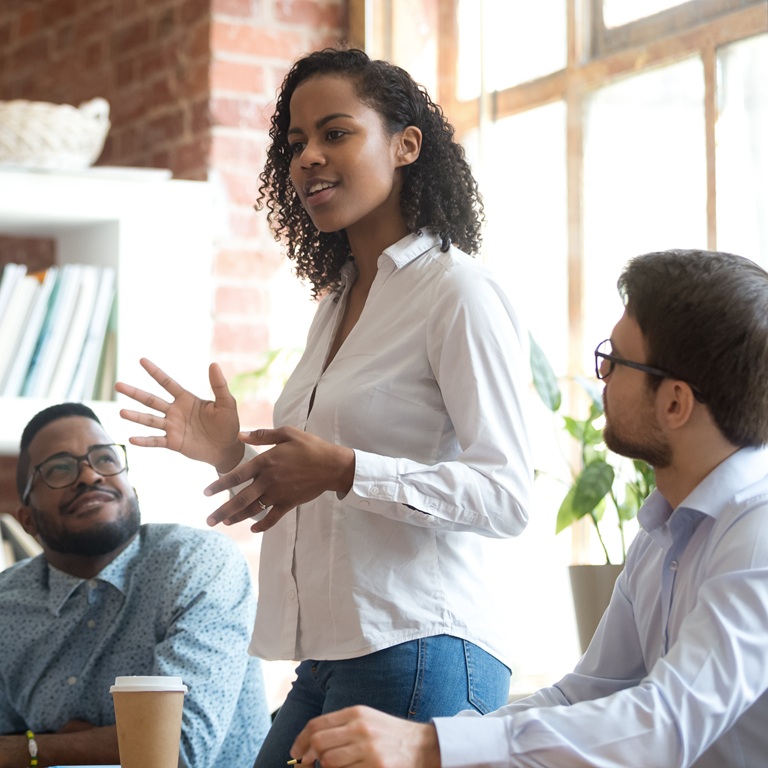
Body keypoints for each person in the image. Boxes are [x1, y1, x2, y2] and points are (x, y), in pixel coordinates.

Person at [114, 47, 533, 766]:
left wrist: (344, 469)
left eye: (335, 133)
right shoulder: (336, 305)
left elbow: (507, 496)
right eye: (296, 142)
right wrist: (228, 454)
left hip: (421, 645)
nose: (308, 157)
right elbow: (322, 480)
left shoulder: (456, 293)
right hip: (332, 657)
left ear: (406, 144)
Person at [287, 247, 768, 768]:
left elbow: (667, 722)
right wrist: (431, 742)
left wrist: (428, 747)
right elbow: (583, 695)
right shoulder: (664, 529)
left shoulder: (757, 533)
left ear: (675, 402)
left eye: (616, 360)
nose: (600, 374)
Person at [0, 402, 271, 768]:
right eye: (58, 469)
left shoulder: (197, 562)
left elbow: (177, 748)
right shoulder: (7, 604)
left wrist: (34, 749)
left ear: (133, 490)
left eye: (106, 459)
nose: (90, 476)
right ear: (27, 520)